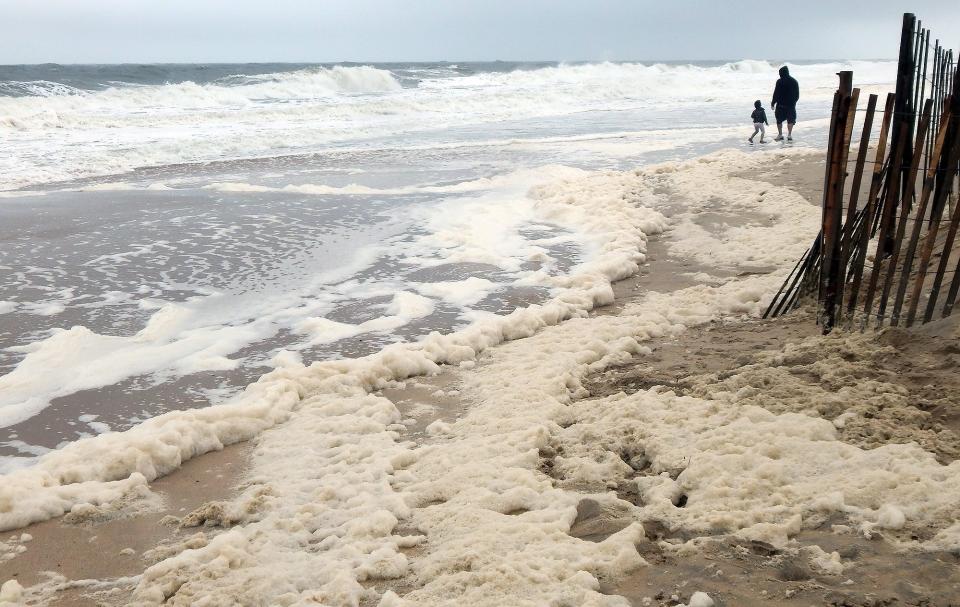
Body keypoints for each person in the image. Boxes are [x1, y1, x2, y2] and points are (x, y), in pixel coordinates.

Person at [771, 65, 800, 141]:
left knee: (779, 120)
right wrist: (794, 102)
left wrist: (773, 103)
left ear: (781, 73)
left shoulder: (779, 81)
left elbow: (776, 93)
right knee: (790, 120)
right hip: (791, 105)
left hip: (780, 105)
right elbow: (797, 94)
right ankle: (789, 135)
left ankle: (780, 134)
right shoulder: (794, 81)